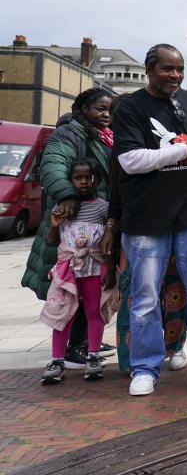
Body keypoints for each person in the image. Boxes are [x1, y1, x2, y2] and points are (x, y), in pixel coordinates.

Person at [111, 43, 187, 396]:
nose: (176, 76)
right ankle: (145, 368)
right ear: (150, 70)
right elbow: (131, 161)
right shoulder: (130, 108)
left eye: (180, 69)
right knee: (146, 298)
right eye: (167, 69)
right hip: (147, 219)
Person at [21, 87, 116, 370]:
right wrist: (68, 194)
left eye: (110, 109)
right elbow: (52, 165)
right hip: (73, 223)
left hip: (95, 222)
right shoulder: (69, 134)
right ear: (83, 109)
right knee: (70, 291)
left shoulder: (103, 135)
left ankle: (88, 342)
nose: (106, 114)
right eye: (100, 109)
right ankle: (73, 347)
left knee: (92, 289)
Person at [39, 158, 119, 384]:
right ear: (70, 180)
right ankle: (57, 359)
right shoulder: (62, 207)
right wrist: (55, 225)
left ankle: (93, 356)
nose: (84, 182)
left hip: (95, 270)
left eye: (89, 177)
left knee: (94, 313)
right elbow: (52, 239)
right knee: (62, 315)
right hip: (68, 273)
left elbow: (110, 244)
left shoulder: (104, 207)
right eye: (78, 178)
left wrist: (111, 271)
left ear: (97, 180)